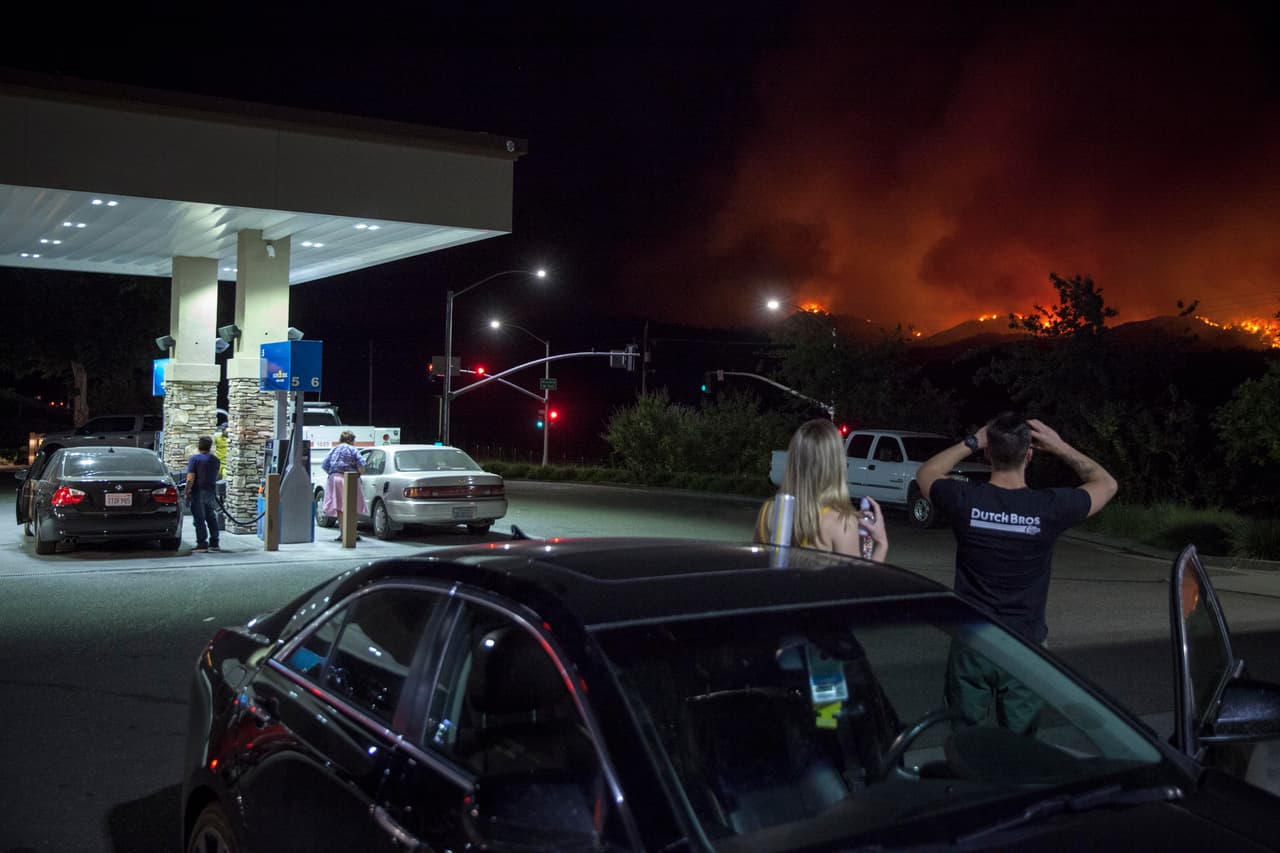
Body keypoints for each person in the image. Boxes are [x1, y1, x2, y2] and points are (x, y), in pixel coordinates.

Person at [917, 413, 1118, 734]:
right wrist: (1061, 446)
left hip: (973, 642)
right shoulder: (1048, 507)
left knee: (968, 745)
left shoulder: (965, 500)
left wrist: (972, 440)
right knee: (1023, 751)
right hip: (1026, 645)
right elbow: (1107, 484)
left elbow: (926, 472)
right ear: (1030, 454)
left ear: (988, 453)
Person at [754, 418, 888, 561]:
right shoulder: (841, 522)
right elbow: (857, 581)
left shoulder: (769, 510)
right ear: (837, 463)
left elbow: (756, 567)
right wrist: (882, 544)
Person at [321, 430, 367, 540]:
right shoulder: (353, 449)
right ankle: (352, 533)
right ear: (351, 440)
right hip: (350, 479)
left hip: (334, 478)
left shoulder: (334, 449)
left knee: (340, 508)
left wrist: (334, 473)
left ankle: (343, 534)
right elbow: (361, 466)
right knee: (353, 506)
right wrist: (359, 473)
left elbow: (324, 465)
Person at [186, 435, 221, 553]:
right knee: (211, 516)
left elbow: (190, 478)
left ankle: (202, 543)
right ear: (210, 446)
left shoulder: (194, 459)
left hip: (198, 491)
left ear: (199, 446)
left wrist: (187, 492)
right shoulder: (215, 460)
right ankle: (214, 542)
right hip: (211, 490)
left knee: (199, 518)